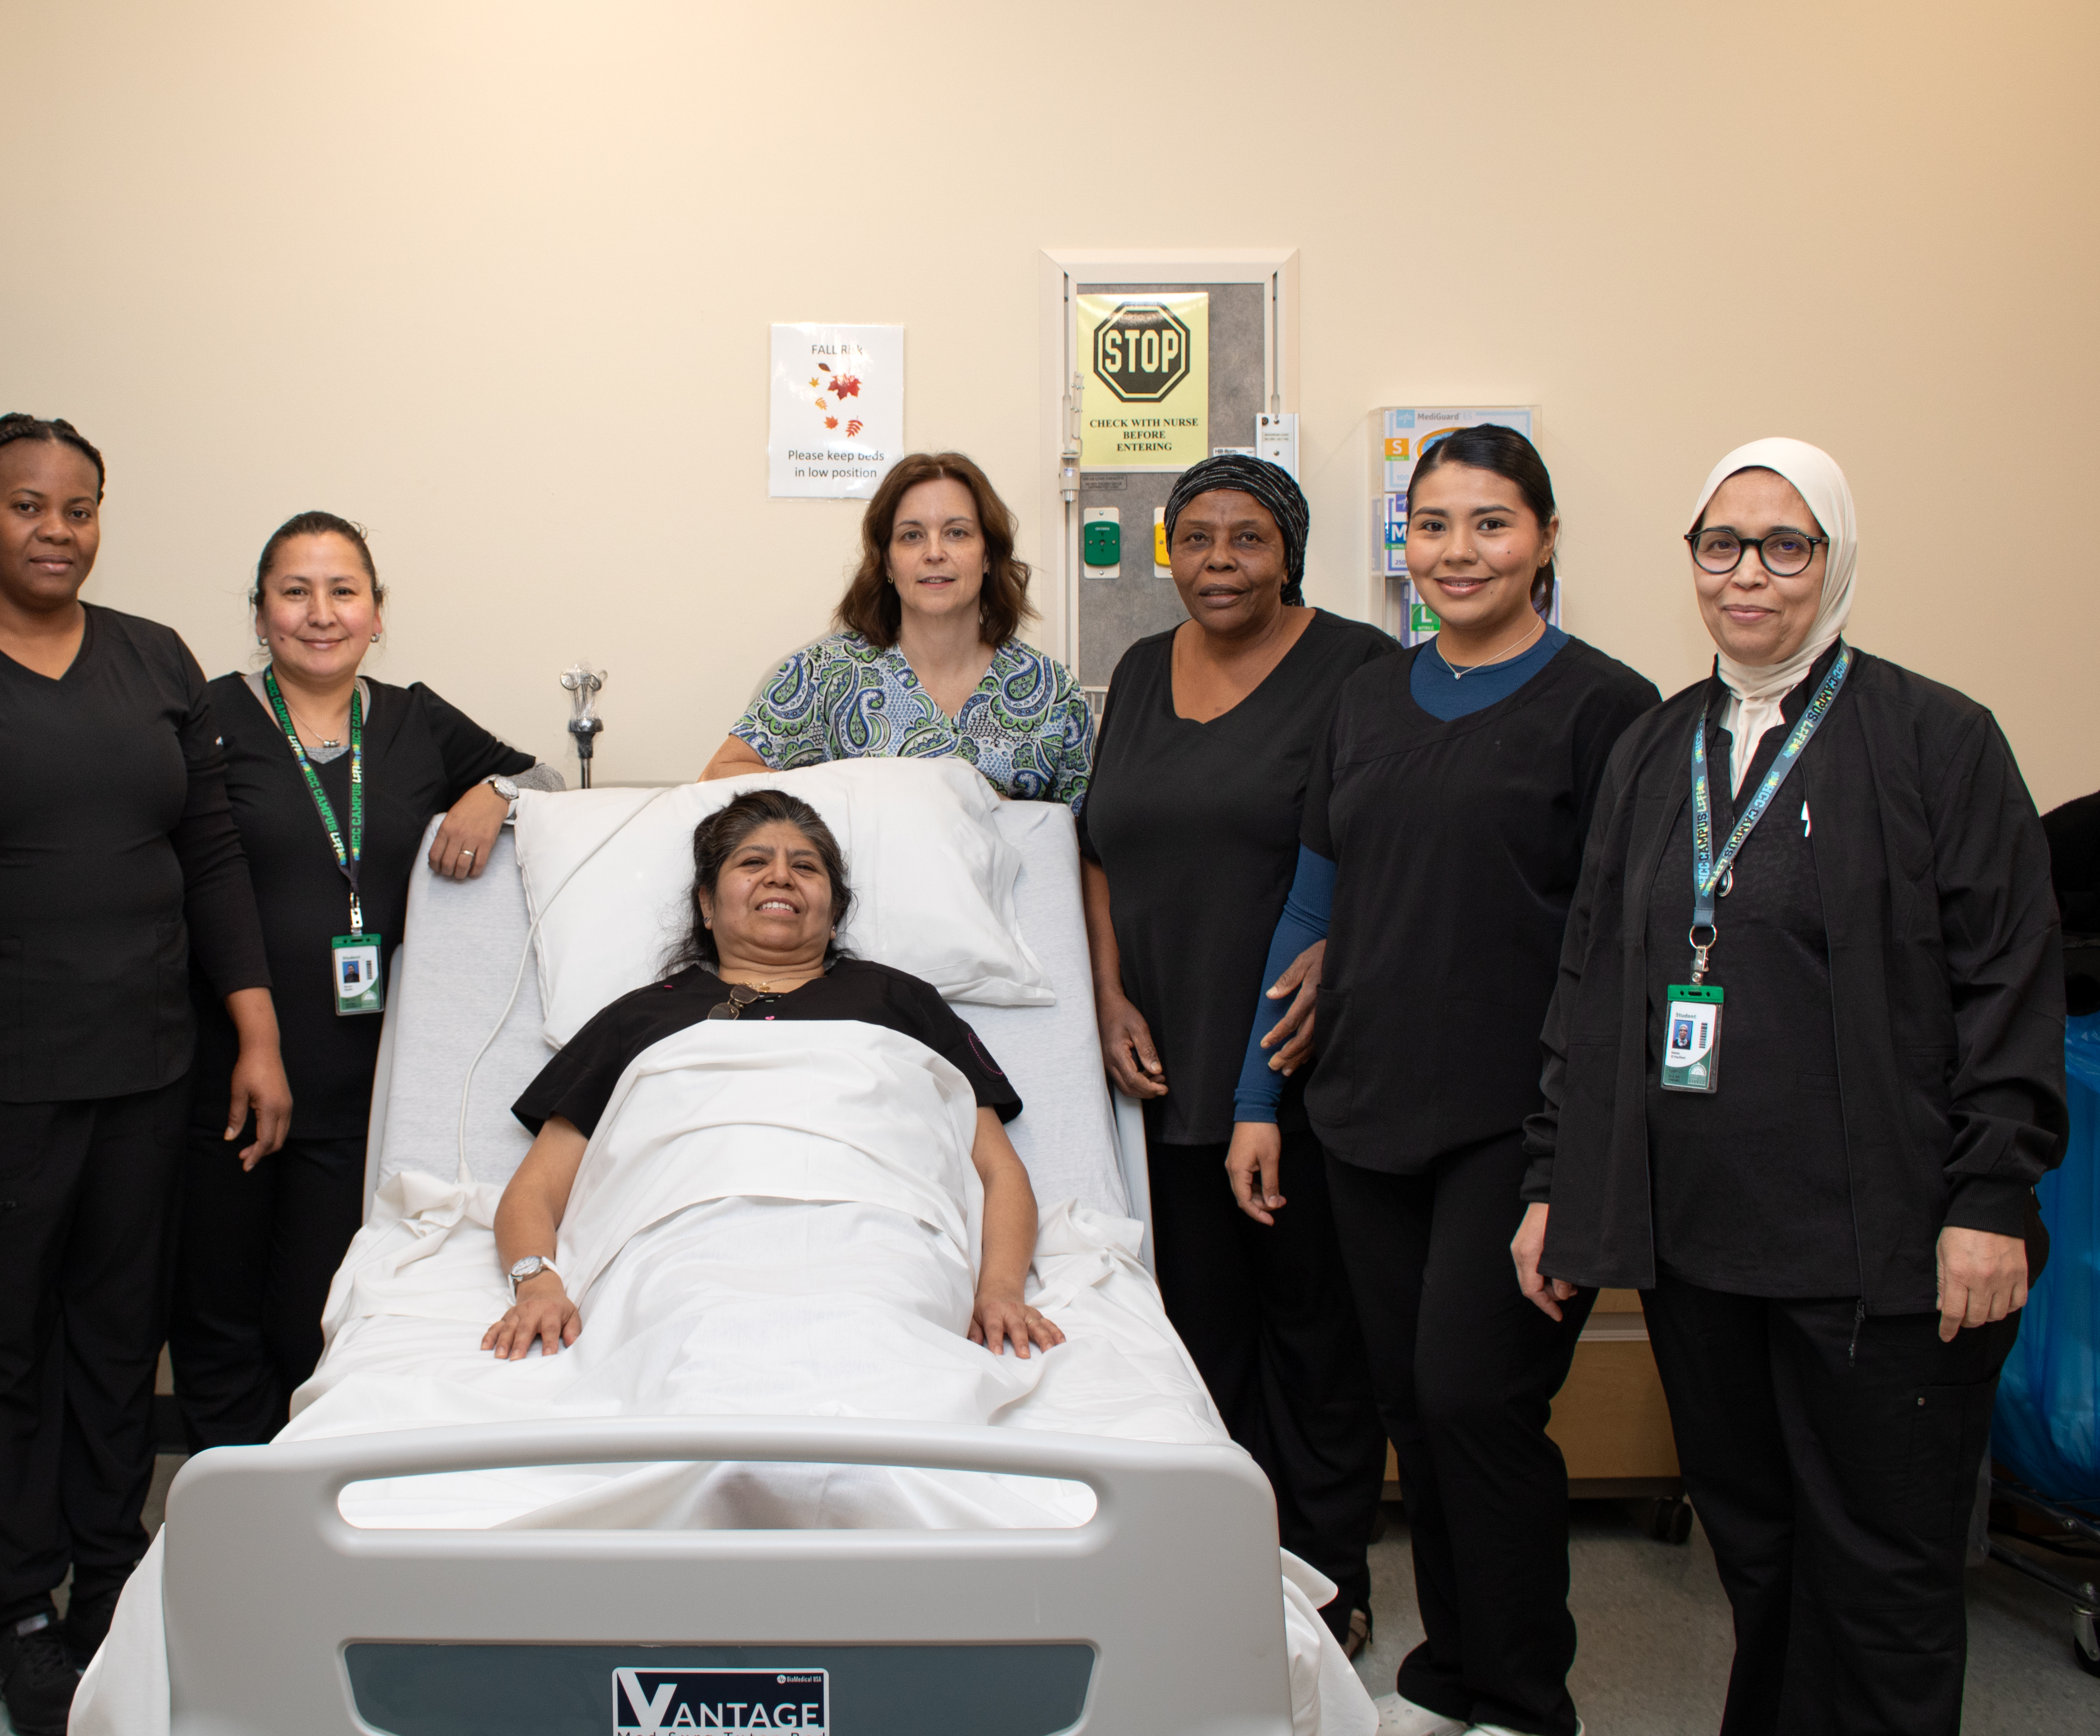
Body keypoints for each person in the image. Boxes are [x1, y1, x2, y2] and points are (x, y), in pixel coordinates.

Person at [1516, 439, 2065, 1736]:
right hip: (1703, 1247)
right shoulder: (1654, 747)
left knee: (1882, 1570)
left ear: (1836, 557)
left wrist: (1988, 1195)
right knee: (1758, 1551)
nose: (1746, 573)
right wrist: (1556, 1182)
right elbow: (1591, 981)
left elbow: (2008, 977)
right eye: (1721, 544)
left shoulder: (1936, 738)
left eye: (1783, 544)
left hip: (1886, 1246)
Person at [0, 414, 291, 1736]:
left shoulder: (154, 657)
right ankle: (24, 1604)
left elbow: (210, 857)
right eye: (26, 504)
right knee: (0, 1345)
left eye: (78, 507)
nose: (55, 528)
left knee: (117, 1334)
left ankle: (108, 1575)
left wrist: (255, 1034)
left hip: (148, 1066)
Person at [1231, 427, 1658, 1736]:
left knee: (1481, 1399)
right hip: (1365, 1106)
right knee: (1412, 1405)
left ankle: (1522, 1697)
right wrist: (1256, 1098)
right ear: (1401, 542)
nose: (1456, 551)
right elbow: (1313, 902)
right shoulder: (1367, 697)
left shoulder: (1606, 708)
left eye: (1489, 523)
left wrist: (1579, 1153)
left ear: (1544, 539)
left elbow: (1625, 943)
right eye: (1431, 525)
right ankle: (1447, 1677)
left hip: (1518, 1118)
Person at [1076, 453, 1396, 1655]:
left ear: (1288, 553)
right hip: (1164, 1053)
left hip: (1299, 1058)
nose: (1218, 561)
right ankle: (1223, 1575)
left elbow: (1398, 836)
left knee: (1314, 1338)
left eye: (1247, 537)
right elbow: (1096, 846)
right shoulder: (1138, 670)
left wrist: (1344, 949)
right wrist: (1108, 990)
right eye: (1196, 537)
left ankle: (1325, 1581)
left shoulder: (1357, 667)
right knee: (1197, 1334)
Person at [168, 512, 563, 1447]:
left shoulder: (412, 718)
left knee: (314, 1312)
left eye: (343, 591)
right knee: (216, 1315)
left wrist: (494, 791)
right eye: (294, 592)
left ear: (377, 614)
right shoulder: (205, 718)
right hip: (224, 1069)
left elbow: (548, 776)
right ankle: (228, 1499)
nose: (321, 612)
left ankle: (301, 1486)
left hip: (359, 1085)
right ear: (259, 614)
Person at [486, 788, 1060, 1362]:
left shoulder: (902, 1001)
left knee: (882, 1340)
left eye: (805, 867)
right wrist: (537, 1284)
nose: (780, 876)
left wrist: (1000, 1290)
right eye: (753, 861)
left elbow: (997, 1168)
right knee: (685, 1342)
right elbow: (534, 1189)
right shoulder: (637, 1017)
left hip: (881, 1234)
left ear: (834, 913)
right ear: (707, 904)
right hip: (678, 1241)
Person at [699, 451, 1091, 808]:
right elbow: (717, 777)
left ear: (988, 556)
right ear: (887, 562)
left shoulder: (1053, 691)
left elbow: (1087, 842)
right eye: (912, 536)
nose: (934, 552)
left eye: (957, 533)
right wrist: (860, 794)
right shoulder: (825, 673)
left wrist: (999, 812)